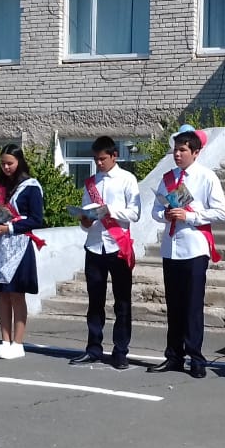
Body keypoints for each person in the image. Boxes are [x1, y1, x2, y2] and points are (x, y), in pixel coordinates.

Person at [148, 130, 225, 379]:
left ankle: (196, 357)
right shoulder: (168, 178)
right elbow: (155, 210)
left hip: (194, 248)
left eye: (183, 150)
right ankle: (174, 355)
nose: (177, 154)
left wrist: (190, 216)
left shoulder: (207, 177)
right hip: (171, 248)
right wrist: (166, 214)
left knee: (192, 305)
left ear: (195, 152)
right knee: (174, 305)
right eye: (175, 150)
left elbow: (221, 212)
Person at [70, 136, 141, 370]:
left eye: (102, 159)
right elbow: (85, 217)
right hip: (94, 245)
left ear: (114, 156)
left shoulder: (127, 179)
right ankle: (93, 348)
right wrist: (85, 221)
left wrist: (110, 210)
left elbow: (135, 213)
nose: (99, 163)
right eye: (96, 159)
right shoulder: (91, 183)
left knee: (122, 302)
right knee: (95, 302)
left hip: (117, 247)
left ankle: (121, 351)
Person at [0, 144, 45, 359]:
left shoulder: (31, 187)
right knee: (2, 294)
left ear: (19, 162)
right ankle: (5, 341)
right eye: (3, 163)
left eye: (10, 163)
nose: (6, 167)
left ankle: (18, 343)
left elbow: (36, 219)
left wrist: (10, 228)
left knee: (16, 294)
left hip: (19, 246)